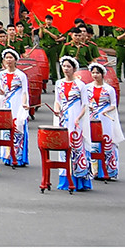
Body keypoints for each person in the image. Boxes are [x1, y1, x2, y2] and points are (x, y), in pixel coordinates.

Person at [51, 55, 93, 191]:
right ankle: (65, 178)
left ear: (74, 69)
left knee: (77, 147)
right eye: (64, 66)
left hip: (76, 119)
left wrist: (78, 118)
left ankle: (79, 179)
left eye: (68, 66)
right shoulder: (59, 83)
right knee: (64, 147)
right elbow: (57, 101)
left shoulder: (80, 85)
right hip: (63, 118)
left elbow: (85, 105)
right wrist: (57, 110)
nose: (66, 69)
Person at [0, 48, 30, 168]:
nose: (8, 60)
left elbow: (24, 91)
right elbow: (2, 89)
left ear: (15, 60)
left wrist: (24, 104)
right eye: (6, 58)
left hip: (17, 103)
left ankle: (18, 157)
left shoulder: (21, 75)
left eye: (11, 58)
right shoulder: (2, 74)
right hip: (6, 104)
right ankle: (7, 156)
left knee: (18, 127)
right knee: (6, 129)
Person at [86, 62, 123, 181]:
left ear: (102, 74)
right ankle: (94, 171)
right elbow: (84, 102)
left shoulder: (109, 89)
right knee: (93, 143)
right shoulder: (87, 88)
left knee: (107, 142)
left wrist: (105, 110)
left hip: (105, 117)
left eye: (97, 73)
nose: (95, 75)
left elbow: (113, 104)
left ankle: (109, 171)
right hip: (92, 117)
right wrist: (88, 107)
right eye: (93, 73)